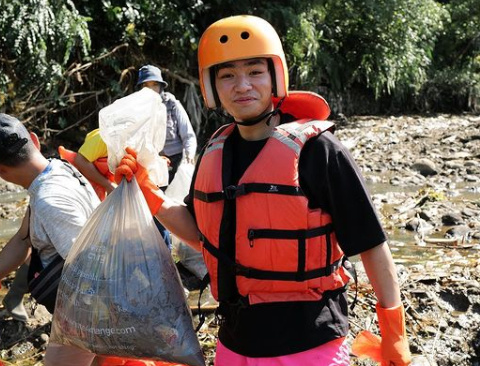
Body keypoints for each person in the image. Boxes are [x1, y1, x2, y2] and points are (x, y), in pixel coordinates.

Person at [114, 15, 411, 366]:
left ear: (275, 77)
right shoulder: (215, 151)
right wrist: (150, 194)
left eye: (255, 71)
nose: (242, 85)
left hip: (309, 343)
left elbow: (371, 244)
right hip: (235, 341)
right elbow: (200, 234)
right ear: (212, 86)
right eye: (227, 75)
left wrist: (393, 330)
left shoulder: (320, 151)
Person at [0, 113, 100, 366]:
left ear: (2, 172)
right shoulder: (56, 168)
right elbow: (23, 241)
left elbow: (91, 270)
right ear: (34, 140)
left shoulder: (49, 200)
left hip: (88, 314)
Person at [137, 64, 197, 183]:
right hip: (152, 162)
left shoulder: (171, 104)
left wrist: (189, 156)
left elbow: (188, 135)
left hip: (176, 159)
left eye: (154, 84)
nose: (150, 89)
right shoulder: (138, 108)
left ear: (160, 87)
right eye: (145, 85)